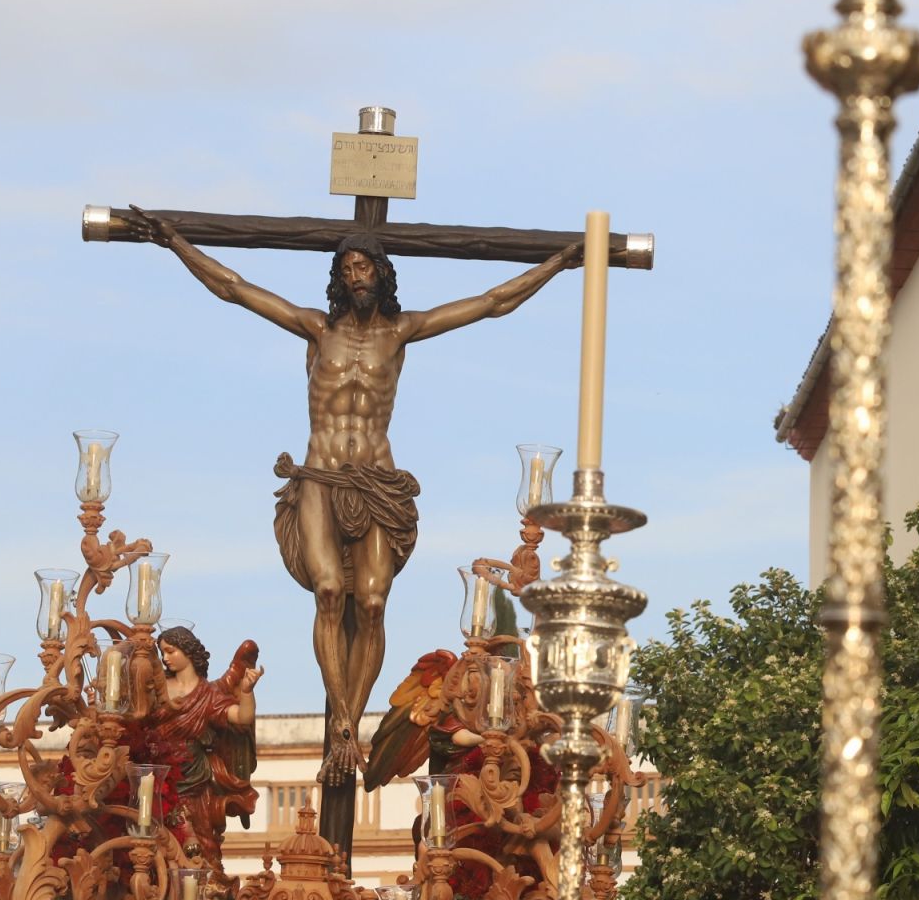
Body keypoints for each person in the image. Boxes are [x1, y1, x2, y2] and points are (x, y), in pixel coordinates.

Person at [130, 210, 581, 837]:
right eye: (346, 268)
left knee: (370, 603)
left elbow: (492, 301)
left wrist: (561, 262)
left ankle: (351, 714)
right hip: (318, 476)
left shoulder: (402, 332)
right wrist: (176, 241)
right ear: (338, 280)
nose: (355, 275)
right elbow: (234, 288)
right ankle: (343, 722)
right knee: (328, 591)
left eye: (364, 265)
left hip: (377, 480)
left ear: (382, 273)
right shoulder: (316, 329)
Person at [153, 626, 262, 869]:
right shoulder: (156, 689)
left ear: (188, 651)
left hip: (193, 780)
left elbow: (242, 717)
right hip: (158, 777)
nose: (165, 658)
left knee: (200, 843)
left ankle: (205, 891)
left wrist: (245, 691)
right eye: (162, 652)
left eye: (170, 651)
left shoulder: (208, 695)